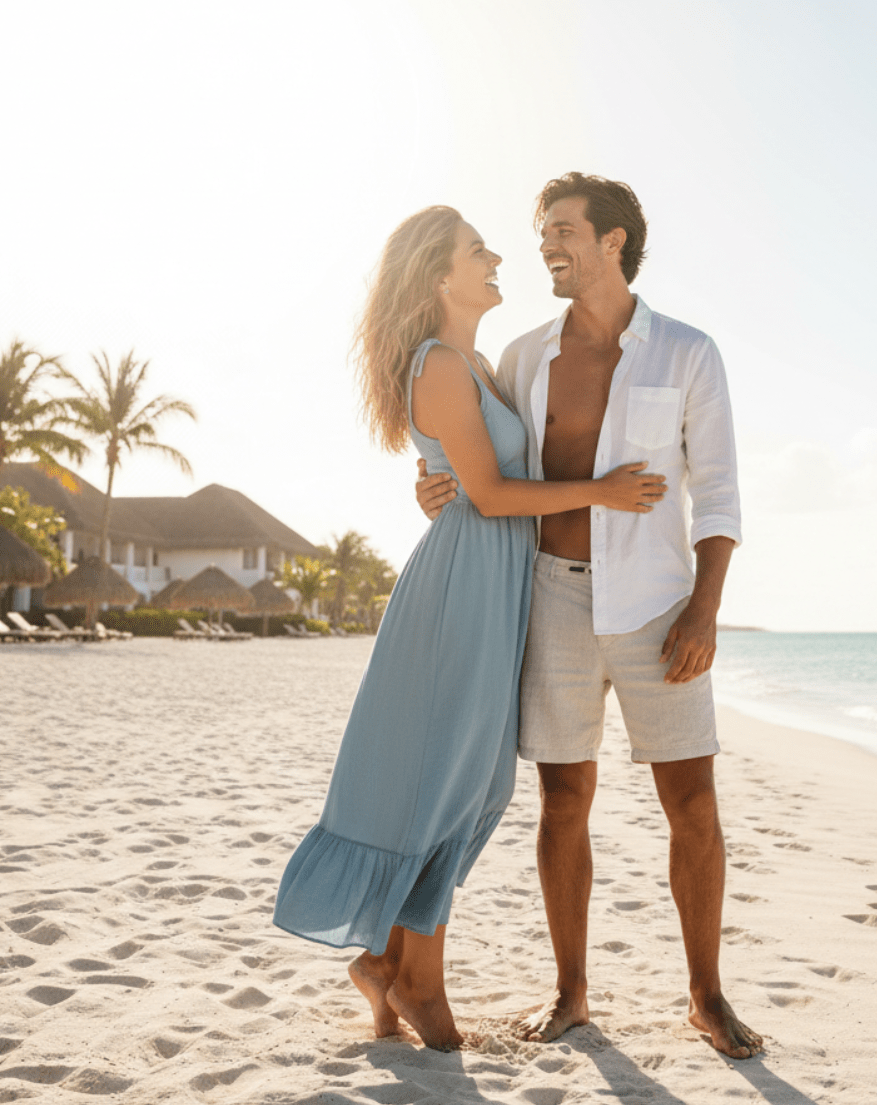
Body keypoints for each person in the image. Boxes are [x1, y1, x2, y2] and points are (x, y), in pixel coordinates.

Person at [272, 205, 666, 1053]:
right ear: (437, 276)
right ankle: (413, 976)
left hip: (496, 584)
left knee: (476, 782)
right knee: (449, 780)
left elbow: (468, 473)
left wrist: (443, 481)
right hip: (460, 588)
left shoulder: (480, 363)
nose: (496, 260)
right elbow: (485, 493)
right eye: (476, 250)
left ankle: (387, 962)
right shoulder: (441, 363)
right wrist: (601, 492)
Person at [416, 174, 763, 1060]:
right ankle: (570, 992)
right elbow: (483, 456)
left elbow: (718, 491)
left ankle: (705, 994)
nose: (546, 246)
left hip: (658, 604)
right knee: (563, 798)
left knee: (691, 802)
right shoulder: (523, 356)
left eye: (563, 230)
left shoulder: (687, 352)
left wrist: (705, 609)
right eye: (542, 232)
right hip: (552, 594)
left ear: (613, 241)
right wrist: (436, 486)